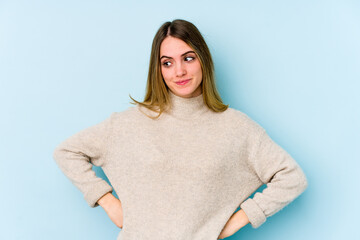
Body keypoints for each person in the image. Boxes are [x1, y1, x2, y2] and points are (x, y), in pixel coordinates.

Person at [53, 19, 308, 240]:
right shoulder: (128, 124)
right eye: (167, 63)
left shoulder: (237, 128)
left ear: (202, 60)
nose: (179, 71)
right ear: (158, 69)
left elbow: (292, 178)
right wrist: (107, 201)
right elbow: (67, 151)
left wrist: (234, 222)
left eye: (188, 58)